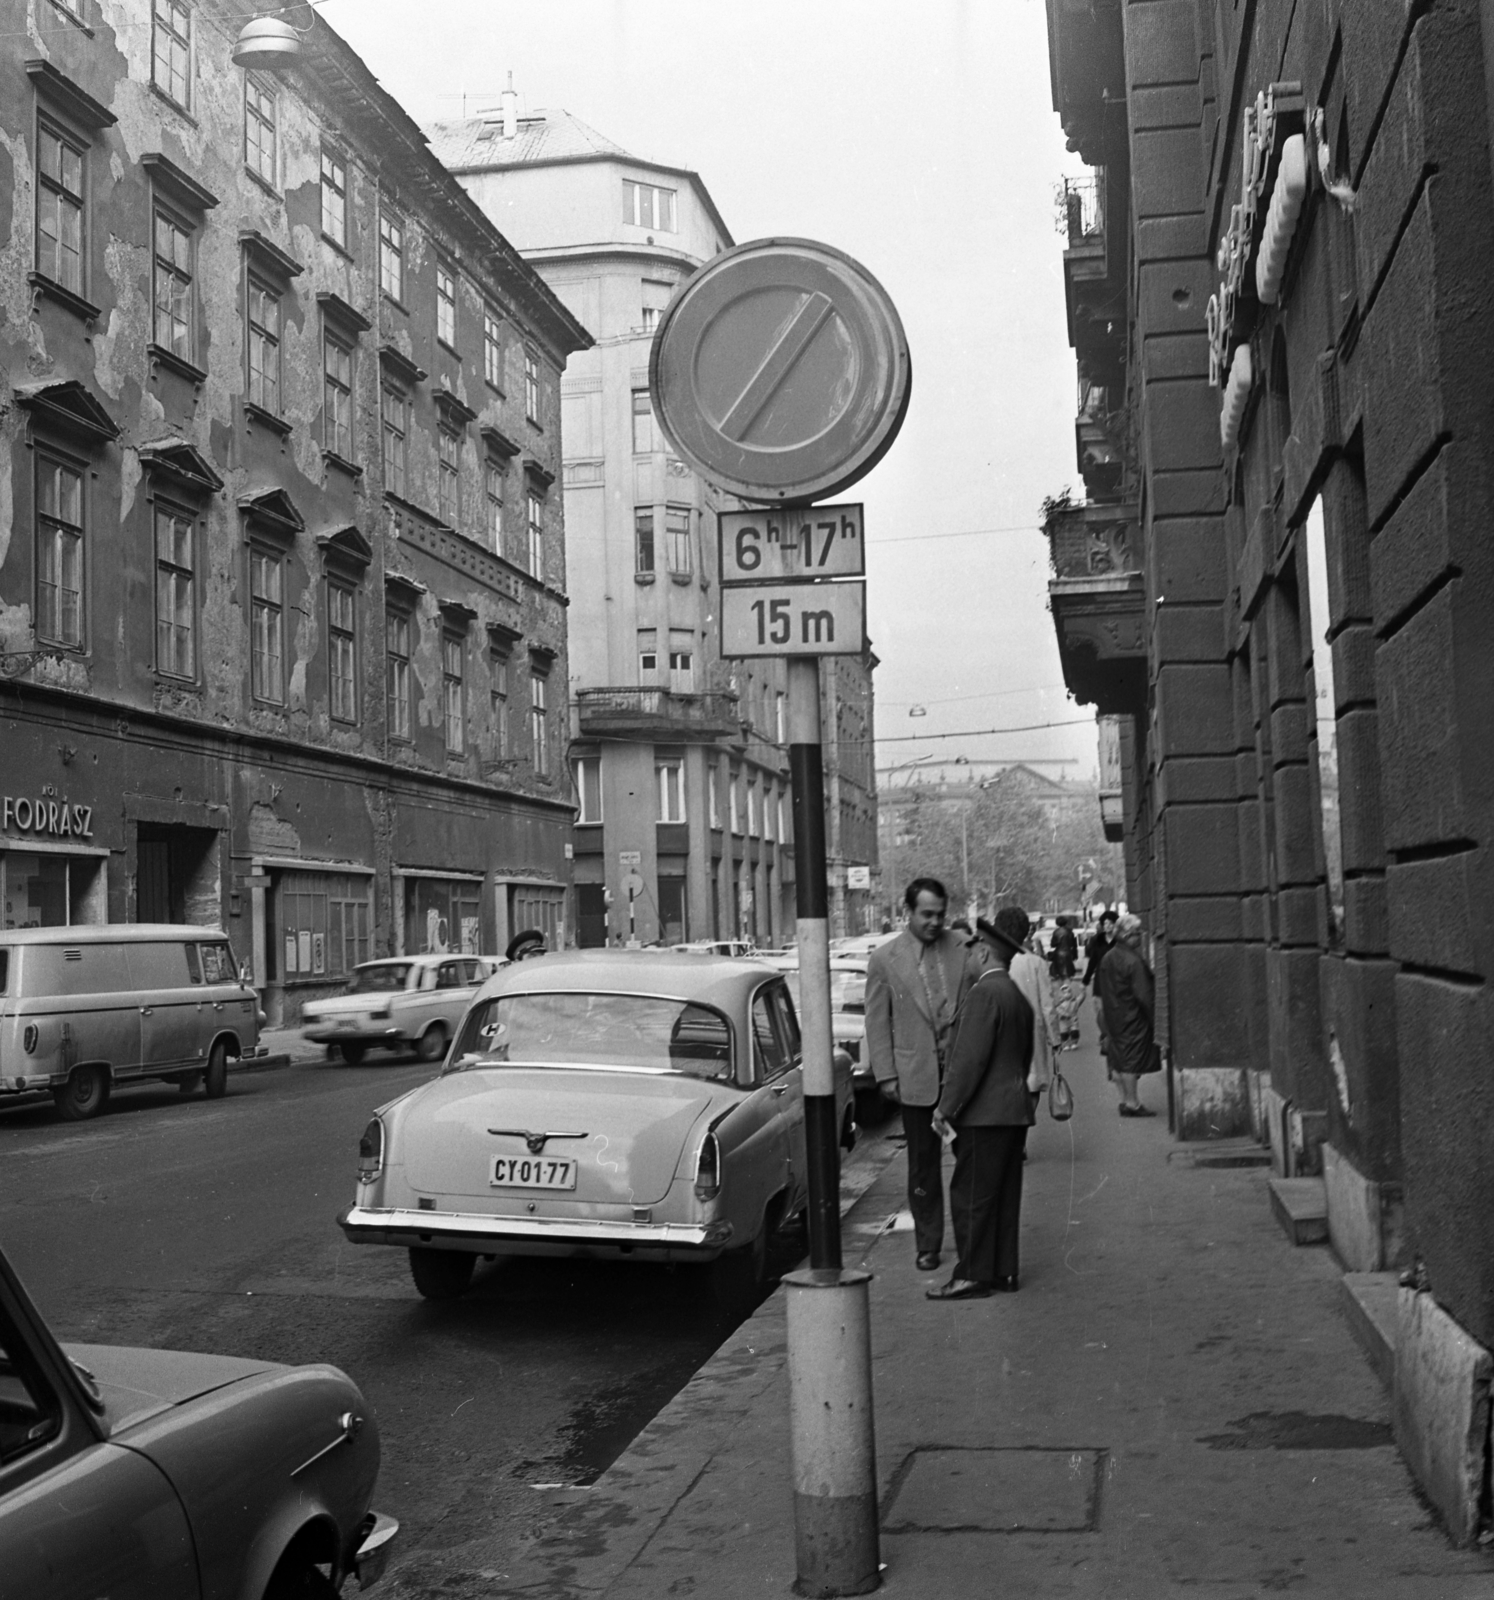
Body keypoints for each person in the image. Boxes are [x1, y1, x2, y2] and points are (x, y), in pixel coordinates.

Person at [865, 877, 977, 1273]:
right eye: (926, 914)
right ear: (908, 912)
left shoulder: (964, 949)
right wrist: (886, 1075)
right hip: (916, 1080)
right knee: (923, 1168)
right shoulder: (884, 959)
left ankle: (972, 1244)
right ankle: (928, 1244)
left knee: (970, 1162)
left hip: (963, 1080)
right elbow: (878, 1022)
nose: (934, 922)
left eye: (940, 915)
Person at [926, 906, 1036, 1300]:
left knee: (971, 1197)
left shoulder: (983, 994)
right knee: (1005, 1196)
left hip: (984, 1117)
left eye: (972, 951)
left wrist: (946, 1107)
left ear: (985, 954)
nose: (968, 958)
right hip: (1014, 1112)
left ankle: (972, 1274)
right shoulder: (1016, 997)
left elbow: (968, 1061)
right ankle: (1004, 1271)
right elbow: (1022, 1059)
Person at [1097, 913, 1158, 1116]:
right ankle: (1132, 1103)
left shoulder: (1108, 957)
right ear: (1128, 935)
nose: (1140, 936)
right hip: (1132, 1016)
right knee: (1131, 1061)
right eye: (1137, 933)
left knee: (1117, 1059)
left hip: (1113, 1015)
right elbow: (1144, 995)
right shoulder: (1133, 960)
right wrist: (1154, 1019)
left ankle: (1124, 1100)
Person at [1006, 911, 1061, 1098]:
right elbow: (1047, 1005)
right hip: (1031, 1032)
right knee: (1031, 1085)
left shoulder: (992, 961)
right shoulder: (1037, 963)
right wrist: (1055, 1039)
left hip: (1003, 1033)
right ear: (1026, 933)